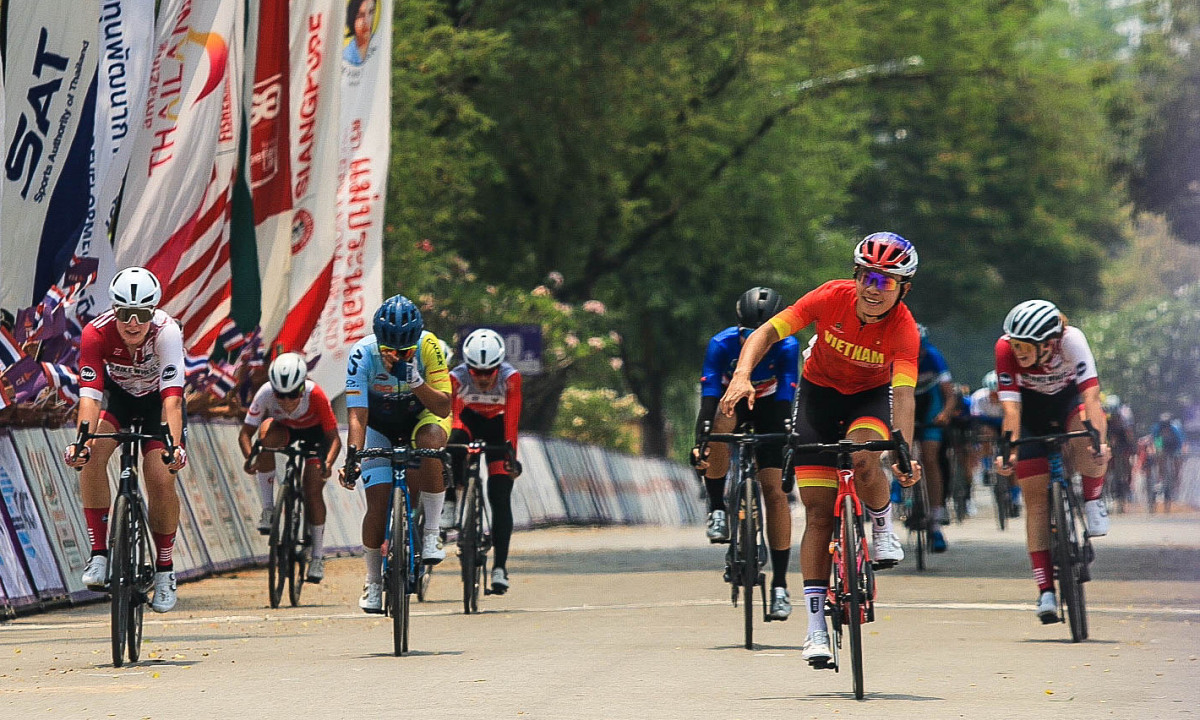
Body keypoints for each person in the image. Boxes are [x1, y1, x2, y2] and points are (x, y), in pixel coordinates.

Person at [719, 232, 923, 667]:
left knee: (865, 458)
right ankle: (814, 630)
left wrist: (903, 450)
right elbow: (766, 333)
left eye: (886, 281)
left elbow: (903, 395)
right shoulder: (830, 297)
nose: (873, 287)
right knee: (816, 512)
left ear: (903, 288)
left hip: (868, 399)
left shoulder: (903, 328)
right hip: (817, 397)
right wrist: (741, 375)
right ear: (855, 275)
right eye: (868, 275)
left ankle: (883, 526)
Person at [63, 267, 188, 613]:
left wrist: (174, 447)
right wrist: (81, 443)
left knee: (161, 477)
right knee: (91, 455)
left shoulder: (167, 332)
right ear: (114, 310)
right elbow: (89, 398)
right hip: (118, 400)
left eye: (142, 314)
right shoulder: (95, 333)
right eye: (125, 314)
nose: (133, 323)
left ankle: (164, 571)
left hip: (157, 404)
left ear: (153, 312)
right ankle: (99, 554)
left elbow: (172, 399)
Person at [993, 299, 1111, 624]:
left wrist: (1099, 441)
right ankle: (1045, 590)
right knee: (1034, 496)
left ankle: (1092, 499)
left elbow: (1091, 396)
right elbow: (1011, 410)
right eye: (1014, 344)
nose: (1017, 351)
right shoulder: (1004, 349)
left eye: (1025, 346)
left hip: (1069, 402)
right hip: (1029, 412)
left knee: (1090, 442)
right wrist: (1008, 451)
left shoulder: (1072, 340)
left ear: (1048, 342)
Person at [691, 287, 799, 620]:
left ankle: (780, 585)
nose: (756, 340)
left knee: (776, 493)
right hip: (731, 401)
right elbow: (709, 395)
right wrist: (702, 441)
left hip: (770, 406)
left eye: (764, 335)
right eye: (748, 334)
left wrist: (786, 454)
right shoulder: (721, 343)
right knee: (720, 422)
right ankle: (718, 509)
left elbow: (786, 399)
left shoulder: (788, 346)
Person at [339, 295, 452, 613]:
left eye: (405, 350)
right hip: (380, 424)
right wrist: (352, 456)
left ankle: (431, 533)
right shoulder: (362, 353)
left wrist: (413, 378)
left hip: (422, 418)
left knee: (432, 443)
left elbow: (443, 406)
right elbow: (357, 415)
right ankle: (373, 581)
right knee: (377, 504)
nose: (397, 355)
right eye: (390, 349)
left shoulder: (429, 347)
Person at [238, 352, 342, 583]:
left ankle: (316, 556)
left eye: (293, 394)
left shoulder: (315, 395)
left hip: (315, 436)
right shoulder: (265, 392)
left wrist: (327, 463)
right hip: (285, 430)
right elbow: (246, 434)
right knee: (266, 439)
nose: (286, 401)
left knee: (312, 490)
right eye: (280, 395)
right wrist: (250, 458)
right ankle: (268, 509)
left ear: (302, 388)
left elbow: (334, 439)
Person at [446, 328, 523, 595]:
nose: (481, 378)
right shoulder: (455, 378)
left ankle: (500, 568)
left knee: (500, 495)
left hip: (498, 426)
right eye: (475, 371)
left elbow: (512, 423)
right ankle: (450, 499)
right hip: (468, 422)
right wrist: (458, 448)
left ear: (498, 367)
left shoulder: (511, 378)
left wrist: (511, 455)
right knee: (451, 445)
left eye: (488, 372)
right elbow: (452, 417)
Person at [913, 324, 957, 551]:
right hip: (908, 403)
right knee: (897, 450)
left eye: (921, 348)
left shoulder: (933, 356)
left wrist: (945, 414)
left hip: (931, 405)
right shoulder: (895, 357)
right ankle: (897, 491)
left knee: (930, 458)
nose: (918, 353)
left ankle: (936, 519)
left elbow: (949, 393)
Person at [971, 371, 1019, 515]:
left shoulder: (1009, 399)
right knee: (986, 433)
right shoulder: (979, 398)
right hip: (988, 424)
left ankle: (1016, 498)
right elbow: (976, 422)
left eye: (997, 394)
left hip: (1005, 424)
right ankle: (986, 467)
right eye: (992, 393)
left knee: (1012, 459)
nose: (995, 397)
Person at [1103, 395, 1135, 512]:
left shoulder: (1125, 415)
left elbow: (1129, 434)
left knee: (1127, 461)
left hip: (1123, 440)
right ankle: (1107, 489)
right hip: (1111, 439)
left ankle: (1128, 484)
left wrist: (1132, 448)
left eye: (1115, 415)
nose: (1114, 417)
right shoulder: (1106, 416)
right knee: (1106, 463)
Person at [1149, 411, 1185, 512]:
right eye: (1163, 425)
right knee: (1160, 456)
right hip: (1162, 446)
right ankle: (1161, 476)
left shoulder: (1175, 430)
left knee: (1177, 459)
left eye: (1167, 425)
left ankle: (1177, 478)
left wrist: (1178, 455)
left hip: (1174, 447)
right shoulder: (1157, 429)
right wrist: (1157, 451)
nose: (1165, 427)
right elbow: (1155, 442)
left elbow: (1180, 445)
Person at [342, 0, 376, 66]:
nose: (366, 21)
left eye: (371, 12)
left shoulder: (380, 42)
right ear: (352, 19)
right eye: (360, 15)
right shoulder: (346, 55)